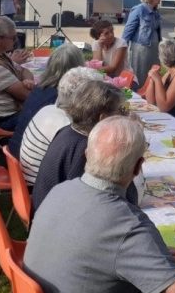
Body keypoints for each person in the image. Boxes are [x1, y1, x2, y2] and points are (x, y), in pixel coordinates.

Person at [24, 116, 175, 293]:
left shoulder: (61, 189)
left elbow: (89, 243)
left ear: (87, 155)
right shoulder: (129, 226)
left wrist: (145, 255)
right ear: (138, 168)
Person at [31, 80, 134, 215]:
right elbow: (121, 201)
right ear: (103, 119)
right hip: (62, 225)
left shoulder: (68, 131)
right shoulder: (87, 150)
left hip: (47, 216)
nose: (126, 115)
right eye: (121, 110)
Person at [18, 67, 103, 184]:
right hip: (41, 187)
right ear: (86, 100)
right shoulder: (70, 128)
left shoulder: (48, 109)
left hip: (30, 179)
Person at [8, 43, 85, 158]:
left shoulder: (39, 88)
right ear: (78, 68)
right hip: (32, 163)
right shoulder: (60, 98)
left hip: (16, 151)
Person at [122, 0, 163, 89]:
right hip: (142, 50)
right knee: (141, 76)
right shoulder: (139, 10)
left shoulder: (156, 12)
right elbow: (128, 31)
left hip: (154, 50)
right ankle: (138, 97)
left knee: (154, 75)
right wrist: (121, 49)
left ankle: (151, 98)